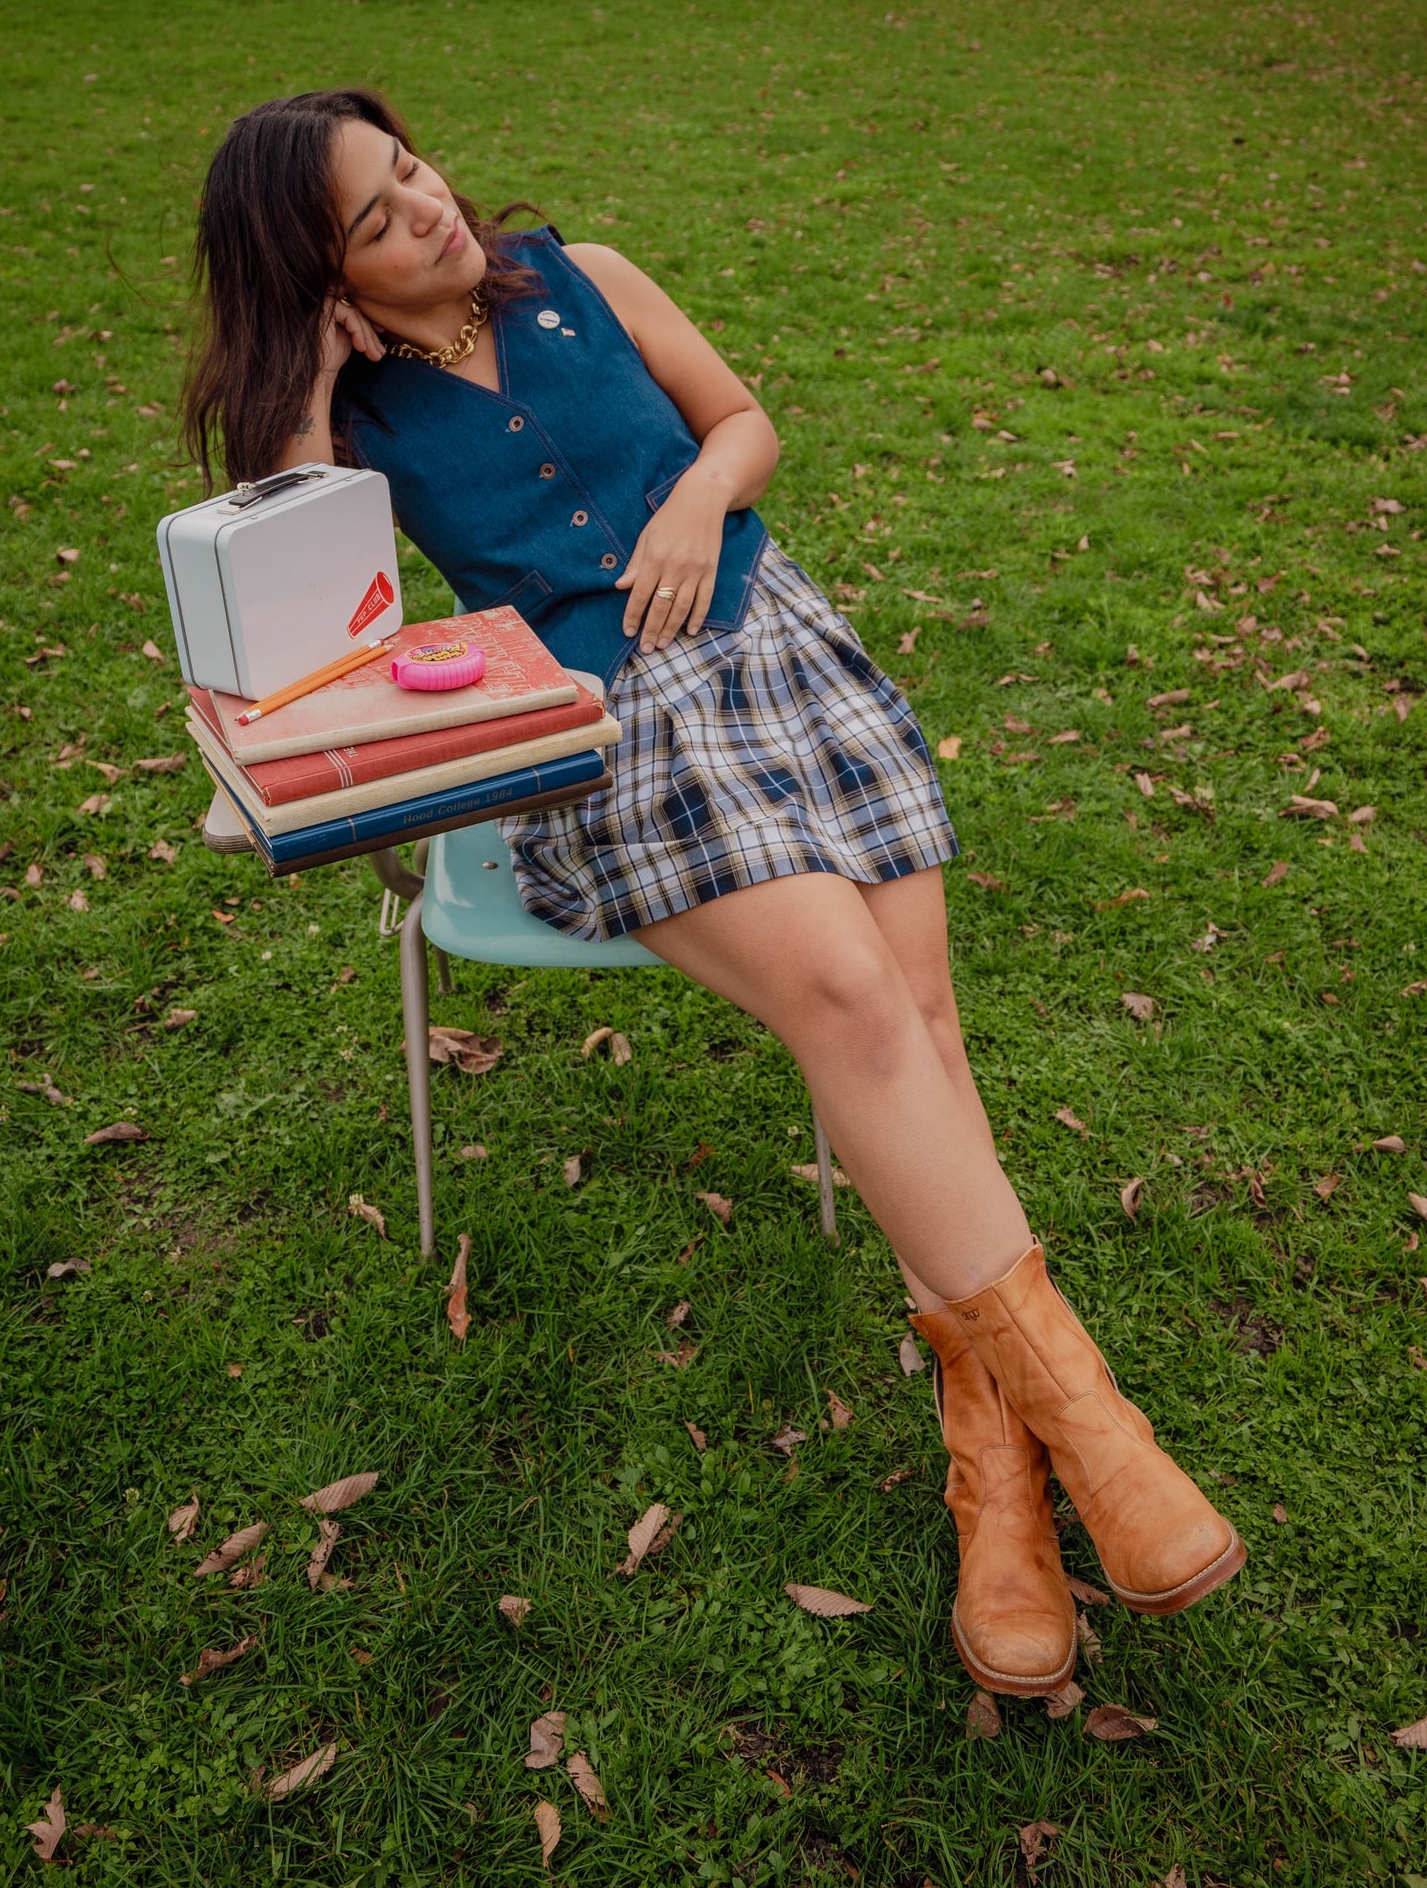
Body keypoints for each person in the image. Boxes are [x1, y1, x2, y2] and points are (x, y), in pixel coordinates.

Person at [183, 88, 1245, 1698]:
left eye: (415, 170)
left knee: (922, 1022)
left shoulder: (584, 272)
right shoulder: (352, 422)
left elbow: (743, 421)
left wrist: (698, 493)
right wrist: (320, 391)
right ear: (311, 273)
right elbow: (305, 626)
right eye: (377, 219)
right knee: (847, 994)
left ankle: (999, 1472)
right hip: (601, 731)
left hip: (781, 655)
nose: (431, 209)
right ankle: (1093, 1420)